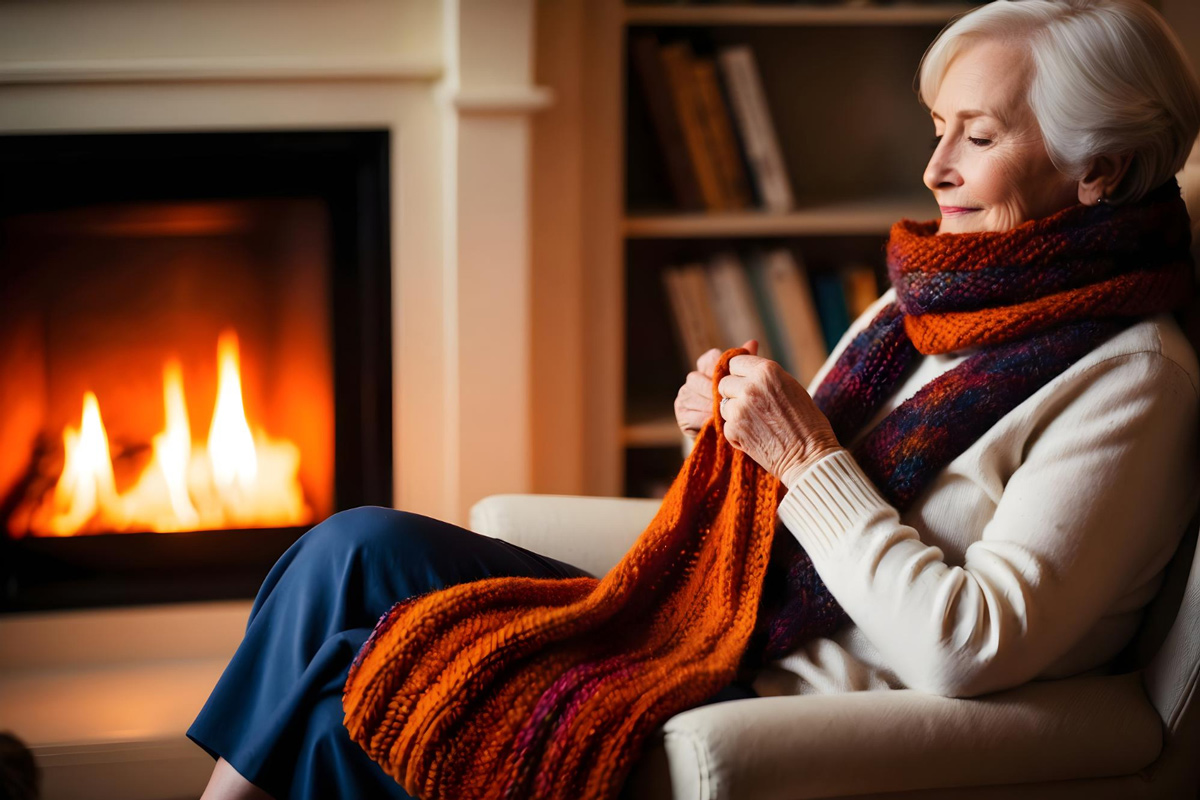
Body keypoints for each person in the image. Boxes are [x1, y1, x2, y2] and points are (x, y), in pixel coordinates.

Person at [190, 0, 1200, 797]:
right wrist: (724, 441)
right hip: (710, 615)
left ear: (1099, 167)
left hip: (773, 683)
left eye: (977, 138)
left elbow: (967, 641)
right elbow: (785, 510)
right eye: (938, 129)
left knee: (347, 703)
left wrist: (806, 460)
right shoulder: (929, 301)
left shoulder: (1131, 380)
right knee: (351, 547)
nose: (934, 168)